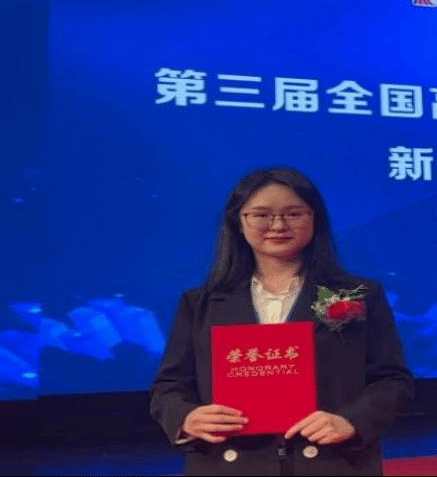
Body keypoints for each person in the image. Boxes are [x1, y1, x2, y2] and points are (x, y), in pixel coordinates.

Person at [149, 167, 415, 476]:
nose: (278, 225)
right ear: (238, 222)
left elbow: (392, 380)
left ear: (314, 219)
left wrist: (352, 421)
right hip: (230, 464)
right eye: (261, 215)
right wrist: (187, 418)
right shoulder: (200, 304)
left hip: (332, 462)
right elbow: (169, 386)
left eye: (293, 214)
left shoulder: (356, 296)